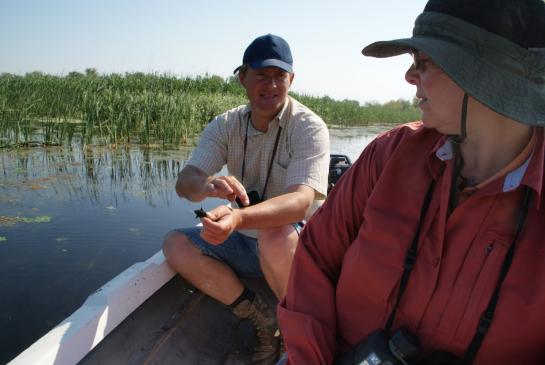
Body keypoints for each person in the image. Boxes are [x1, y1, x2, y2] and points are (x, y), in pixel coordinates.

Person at [277, 0, 545, 364]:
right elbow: (315, 259)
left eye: (423, 62)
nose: (409, 76)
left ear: (481, 74)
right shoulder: (388, 156)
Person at [163, 34, 330, 364]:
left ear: (291, 80)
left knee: (276, 234)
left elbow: (299, 202)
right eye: (261, 75)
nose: (271, 85)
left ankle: (298, 337)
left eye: (279, 76)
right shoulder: (226, 125)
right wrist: (210, 185)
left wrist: (237, 218)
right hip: (242, 241)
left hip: (297, 246)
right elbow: (185, 183)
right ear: (243, 77)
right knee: (175, 245)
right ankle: (260, 317)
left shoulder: (309, 127)